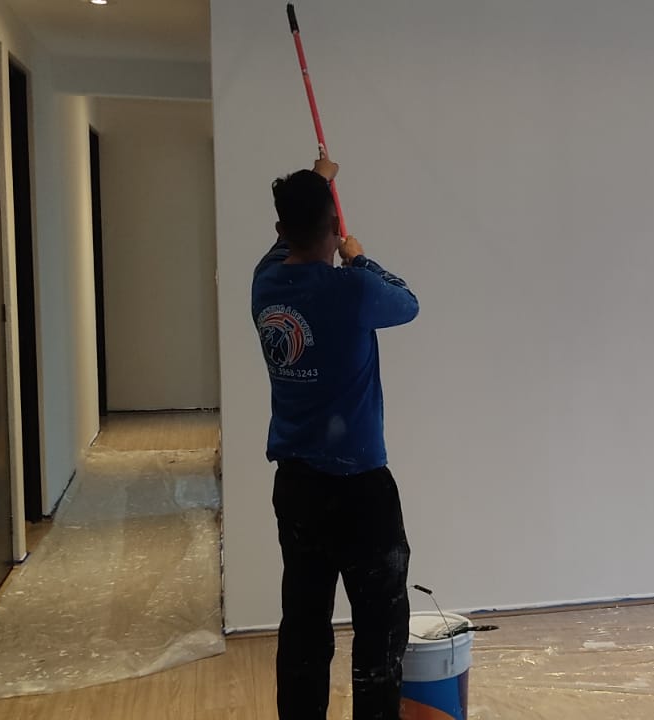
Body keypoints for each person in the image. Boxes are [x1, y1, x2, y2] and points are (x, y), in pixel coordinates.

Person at [252, 154, 420, 719]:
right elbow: (408, 304)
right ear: (333, 225)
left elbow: (286, 242)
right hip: (359, 491)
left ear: (280, 228)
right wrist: (359, 256)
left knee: (303, 625)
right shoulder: (354, 289)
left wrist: (319, 181)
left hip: (297, 488)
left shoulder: (265, 282)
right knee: (379, 632)